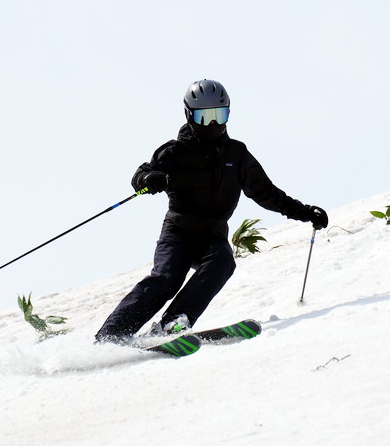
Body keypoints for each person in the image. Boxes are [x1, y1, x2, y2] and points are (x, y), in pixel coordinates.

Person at [95, 79, 328, 342]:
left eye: (220, 115)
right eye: (205, 117)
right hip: (178, 233)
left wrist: (305, 212)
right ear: (189, 115)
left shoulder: (236, 154)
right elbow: (143, 173)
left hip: (212, 236)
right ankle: (110, 335)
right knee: (166, 279)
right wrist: (149, 179)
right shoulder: (175, 151)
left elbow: (266, 192)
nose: (214, 125)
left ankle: (174, 322)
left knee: (222, 262)